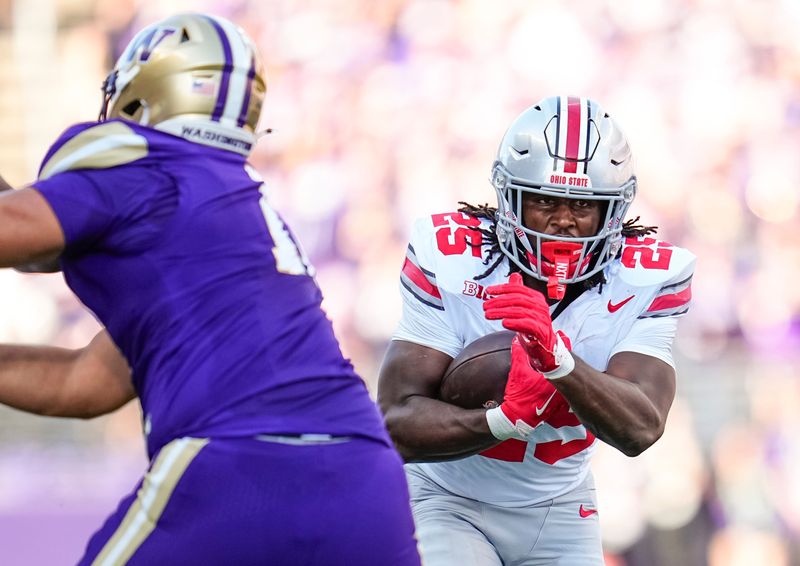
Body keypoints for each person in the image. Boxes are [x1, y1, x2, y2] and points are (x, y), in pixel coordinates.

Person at [0, 13, 420, 566]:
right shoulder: (237, 207)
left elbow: (14, 233)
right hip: (366, 480)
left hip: (240, 461)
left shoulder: (144, 167)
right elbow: (86, 382)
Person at [378, 95, 695, 565]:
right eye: (545, 200)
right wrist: (503, 419)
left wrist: (558, 362)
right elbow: (395, 423)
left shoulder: (650, 275)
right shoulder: (449, 255)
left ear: (614, 212)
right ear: (509, 198)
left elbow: (641, 428)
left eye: (583, 206)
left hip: (560, 508)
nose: (563, 220)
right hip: (448, 500)